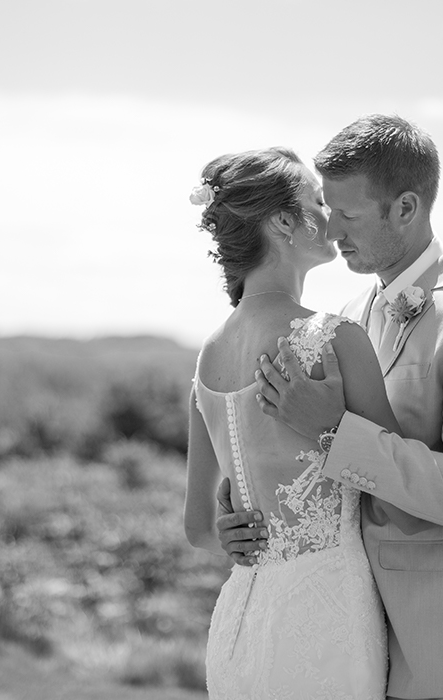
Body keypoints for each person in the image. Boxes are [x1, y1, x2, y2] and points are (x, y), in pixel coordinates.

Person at [217, 115, 443, 700]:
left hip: (438, 652)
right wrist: (241, 512)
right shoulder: (349, 313)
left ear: (406, 208)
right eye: (325, 206)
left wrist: (333, 434)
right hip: (343, 636)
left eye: (348, 214)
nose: (328, 226)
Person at [184, 147, 399, 698]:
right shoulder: (333, 339)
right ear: (284, 221)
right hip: (327, 621)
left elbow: (198, 529)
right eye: (319, 201)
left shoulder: (208, 356)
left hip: (241, 623)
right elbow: (401, 486)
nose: (332, 214)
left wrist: (228, 535)